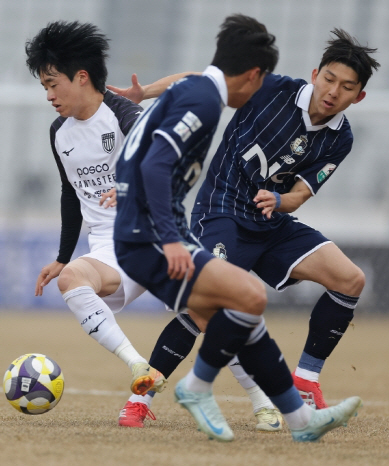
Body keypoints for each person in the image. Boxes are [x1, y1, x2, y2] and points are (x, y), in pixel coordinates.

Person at [113, 14, 362, 442]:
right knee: (207, 308)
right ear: (315, 75)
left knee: (349, 279)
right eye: (330, 79)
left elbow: (300, 194)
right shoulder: (271, 88)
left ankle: (304, 381)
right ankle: (142, 399)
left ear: (358, 96)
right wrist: (146, 92)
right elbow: (205, 77)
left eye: (347, 87)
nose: (333, 92)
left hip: (271, 222)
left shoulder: (341, 137)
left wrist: (279, 201)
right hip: (222, 210)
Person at [25, 20, 166, 404]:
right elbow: (70, 193)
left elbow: (158, 160)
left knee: (214, 311)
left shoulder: (125, 114)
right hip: (108, 247)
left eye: (53, 84)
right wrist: (61, 257)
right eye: (44, 87)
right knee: (71, 278)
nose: (49, 95)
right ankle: (138, 366)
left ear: (82, 77)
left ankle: (263, 400)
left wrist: (130, 187)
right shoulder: (59, 132)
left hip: (157, 237)